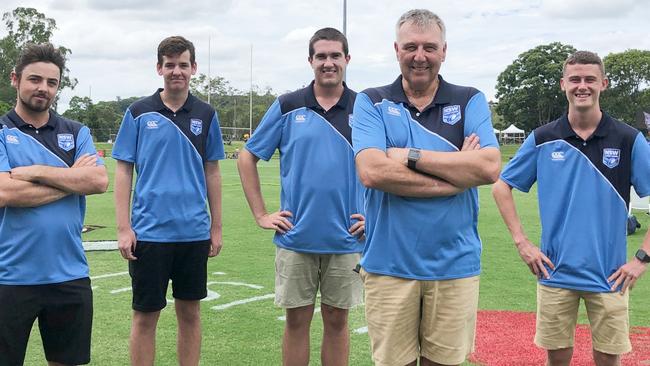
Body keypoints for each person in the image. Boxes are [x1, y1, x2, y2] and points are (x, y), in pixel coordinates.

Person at [352, 9, 501, 366]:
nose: (420, 56)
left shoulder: (469, 99)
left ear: (444, 51)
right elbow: (373, 172)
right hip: (388, 264)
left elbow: (489, 166)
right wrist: (454, 179)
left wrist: (408, 156)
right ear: (396, 49)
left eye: (430, 47)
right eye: (411, 47)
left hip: (454, 265)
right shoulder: (371, 100)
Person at [492, 51, 650, 366]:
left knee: (608, 361)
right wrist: (523, 243)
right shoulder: (543, 138)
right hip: (554, 273)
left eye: (590, 79)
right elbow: (501, 186)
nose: (582, 86)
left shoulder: (629, 139)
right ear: (563, 84)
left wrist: (641, 258)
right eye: (575, 79)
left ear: (603, 83)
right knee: (557, 361)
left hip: (610, 277)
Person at [237, 27, 365, 366]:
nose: (328, 62)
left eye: (335, 55)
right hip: (295, 238)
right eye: (321, 56)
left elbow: (387, 163)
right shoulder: (287, 105)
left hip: (347, 239)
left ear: (347, 60)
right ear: (310, 60)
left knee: (338, 322)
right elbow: (247, 156)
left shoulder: (365, 108)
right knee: (297, 322)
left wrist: (376, 216)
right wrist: (261, 214)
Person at [112, 36, 225, 366]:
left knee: (190, 314)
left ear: (194, 68)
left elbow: (213, 172)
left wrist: (216, 228)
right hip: (149, 233)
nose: (177, 71)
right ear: (159, 67)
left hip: (193, 233)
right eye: (170, 64)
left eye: (183, 64)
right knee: (145, 317)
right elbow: (123, 172)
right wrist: (123, 228)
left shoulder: (205, 114)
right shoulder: (138, 112)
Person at [0, 43, 108, 366]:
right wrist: (72, 179)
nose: (43, 89)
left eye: (52, 82)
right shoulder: (3, 132)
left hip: (69, 275)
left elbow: (98, 181)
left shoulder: (76, 132)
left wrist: (34, 173)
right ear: (15, 79)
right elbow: (5, 192)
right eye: (35, 79)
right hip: (9, 277)